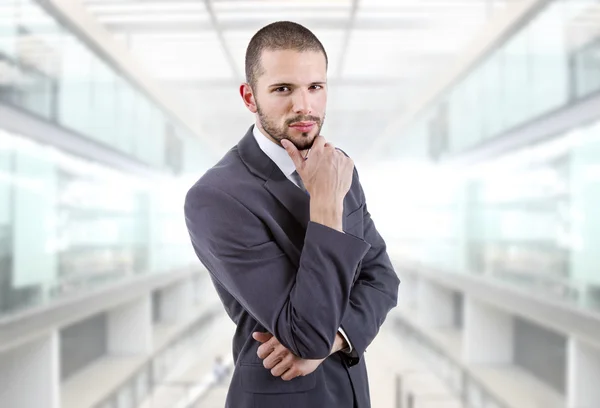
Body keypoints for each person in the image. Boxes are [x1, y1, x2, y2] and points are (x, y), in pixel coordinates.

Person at [184, 21, 400, 408]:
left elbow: (383, 279)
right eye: (283, 89)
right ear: (250, 98)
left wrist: (338, 339)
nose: (304, 106)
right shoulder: (217, 197)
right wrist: (326, 205)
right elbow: (305, 336)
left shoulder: (338, 167)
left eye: (315, 87)